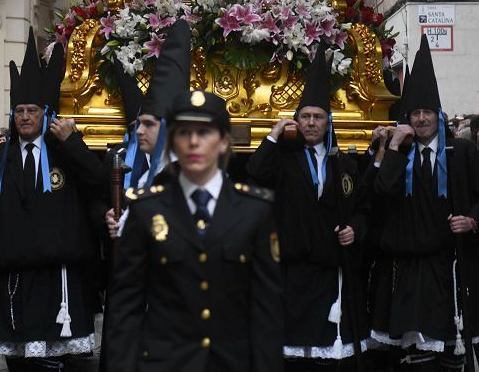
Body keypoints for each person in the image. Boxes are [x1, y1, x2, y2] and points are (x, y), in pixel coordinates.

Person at [104, 89, 283, 371]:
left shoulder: (254, 211)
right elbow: (126, 308)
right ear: (172, 142)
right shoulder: (147, 210)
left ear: (224, 142)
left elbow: (266, 311)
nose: (194, 142)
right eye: (184, 132)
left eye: (205, 132)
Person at [0, 29, 103, 370]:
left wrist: (73, 144)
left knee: (57, 362)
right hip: (13, 280)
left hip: (58, 280)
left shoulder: (64, 153)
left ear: (46, 113)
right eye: (20, 110)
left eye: (33, 110)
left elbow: (98, 183)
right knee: (21, 365)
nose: (26, 117)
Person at [370, 35, 479, 370]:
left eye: (428, 112)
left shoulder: (462, 153)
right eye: (415, 113)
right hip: (410, 269)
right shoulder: (400, 154)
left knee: (451, 354)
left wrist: (471, 221)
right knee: (417, 355)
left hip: (452, 267)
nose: (422, 119)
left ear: (438, 115)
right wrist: (394, 149)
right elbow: (381, 192)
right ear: (407, 118)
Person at [247, 44, 369, 368]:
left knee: (326, 357)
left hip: (331, 269)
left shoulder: (344, 164)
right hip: (292, 270)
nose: (312, 123)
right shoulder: (283, 160)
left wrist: (355, 229)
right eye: (306, 117)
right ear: (296, 121)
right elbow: (255, 174)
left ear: (328, 122)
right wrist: (273, 135)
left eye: (318, 117)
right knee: (293, 355)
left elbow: (362, 208)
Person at [106, 19, 193, 239]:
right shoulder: (147, 178)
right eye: (139, 123)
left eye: (149, 124)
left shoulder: (189, 177)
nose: (139, 131)